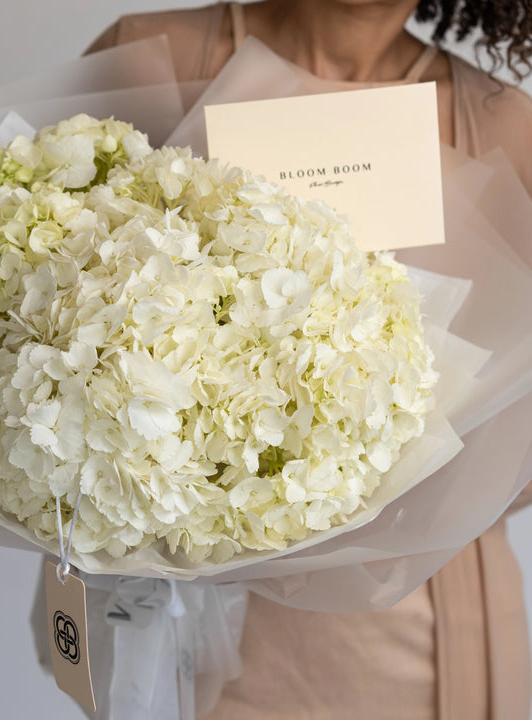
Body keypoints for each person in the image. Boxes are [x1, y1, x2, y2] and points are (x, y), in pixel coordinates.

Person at [86, 2, 532, 718]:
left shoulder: (504, 121)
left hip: (423, 635)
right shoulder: (152, 56)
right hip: (197, 623)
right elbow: (57, 320)